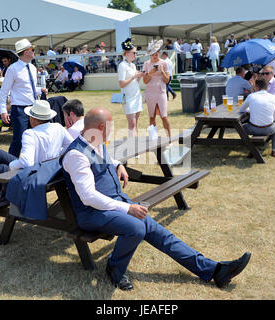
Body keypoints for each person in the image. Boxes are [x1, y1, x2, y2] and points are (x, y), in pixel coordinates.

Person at [61, 107, 251, 290]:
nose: (111, 131)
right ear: (101, 127)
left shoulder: (93, 139)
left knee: (161, 234)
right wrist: (127, 209)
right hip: (93, 213)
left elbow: (105, 158)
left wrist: (118, 164)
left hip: (115, 204)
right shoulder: (76, 155)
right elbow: (88, 197)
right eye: (110, 127)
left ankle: (214, 270)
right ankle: (115, 269)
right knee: (136, 228)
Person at [0, 39, 48, 157]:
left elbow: (29, 87)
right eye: (32, 50)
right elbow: (4, 91)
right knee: (19, 140)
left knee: (36, 138)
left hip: (33, 108)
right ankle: (9, 166)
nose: (34, 52)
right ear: (26, 52)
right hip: (19, 109)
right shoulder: (13, 69)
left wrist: (40, 89)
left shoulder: (32, 68)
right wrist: (3, 111)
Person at [239, 78, 275, 158]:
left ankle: (251, 148)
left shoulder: (251, 96)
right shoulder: (273, 97)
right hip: (269, 129)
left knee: (240, 127)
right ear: (266, 87)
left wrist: (251, 109)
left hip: (253, 128)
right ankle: (274, 150)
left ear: (256, 87)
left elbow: (241, 110)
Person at [143, 40, 171, 138]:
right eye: (152, 55)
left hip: (161, 92)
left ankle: (169, 138)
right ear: (150, 55)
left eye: (156, 54)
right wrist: (150, 73)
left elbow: (167, 80)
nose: (154, 56)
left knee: (164, 116)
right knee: (152, 116)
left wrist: (162, 71)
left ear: (159, 53)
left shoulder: (164, 63)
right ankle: (153, 138)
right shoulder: (146, 64)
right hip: (150, 93)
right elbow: (145, 81)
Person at [118, 38, 144, 138]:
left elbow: (135, 81)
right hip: (128, 98)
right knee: (132, 124)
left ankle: (134, 144)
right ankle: (133, 146)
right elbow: (121, 84)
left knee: (135, 124)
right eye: (134, 53)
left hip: (136, 96)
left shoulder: (132, 65)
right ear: (127, 53)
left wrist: (139, 77)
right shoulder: (122, 65)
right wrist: (134, 76)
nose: (135, 55)